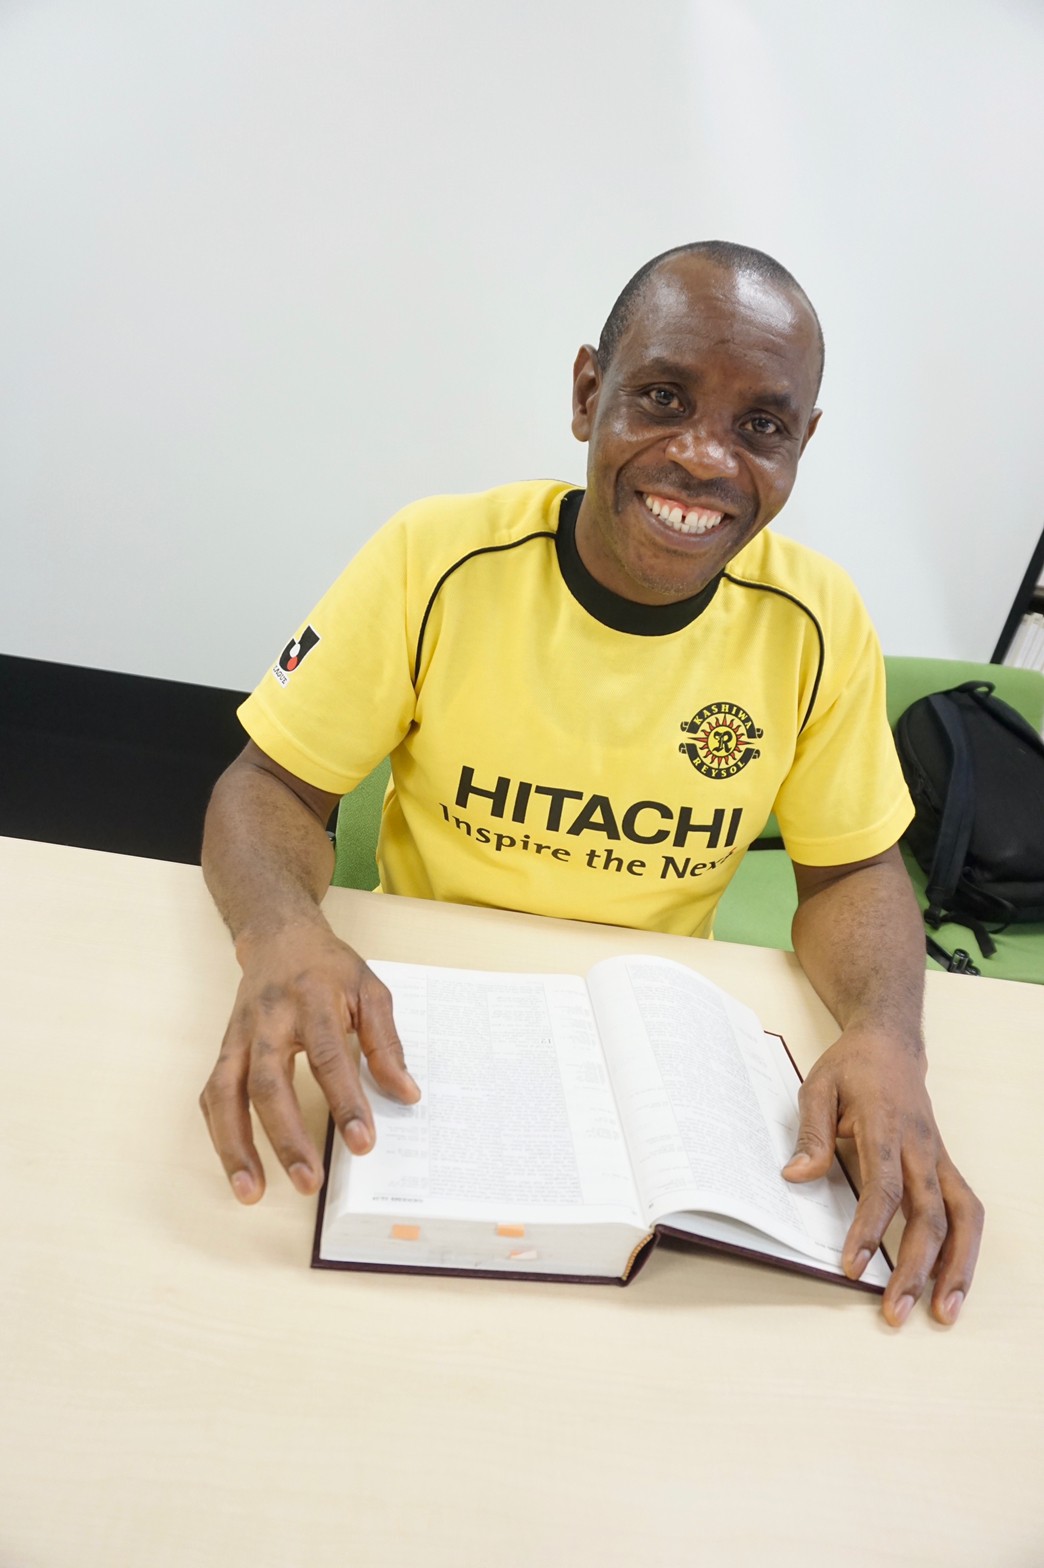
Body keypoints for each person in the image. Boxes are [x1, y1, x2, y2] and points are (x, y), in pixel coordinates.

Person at [200, 240, 983, 1328]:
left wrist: (889, 1035)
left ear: (802, 444)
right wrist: (281, 930)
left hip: (652, 1042)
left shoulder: (820, 620)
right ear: (586, 395)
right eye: (663, 398)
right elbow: (268, 789)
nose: (703, 457)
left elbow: (852, 871)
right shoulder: (436, 557)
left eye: (761, 425)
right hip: (426, 1013)